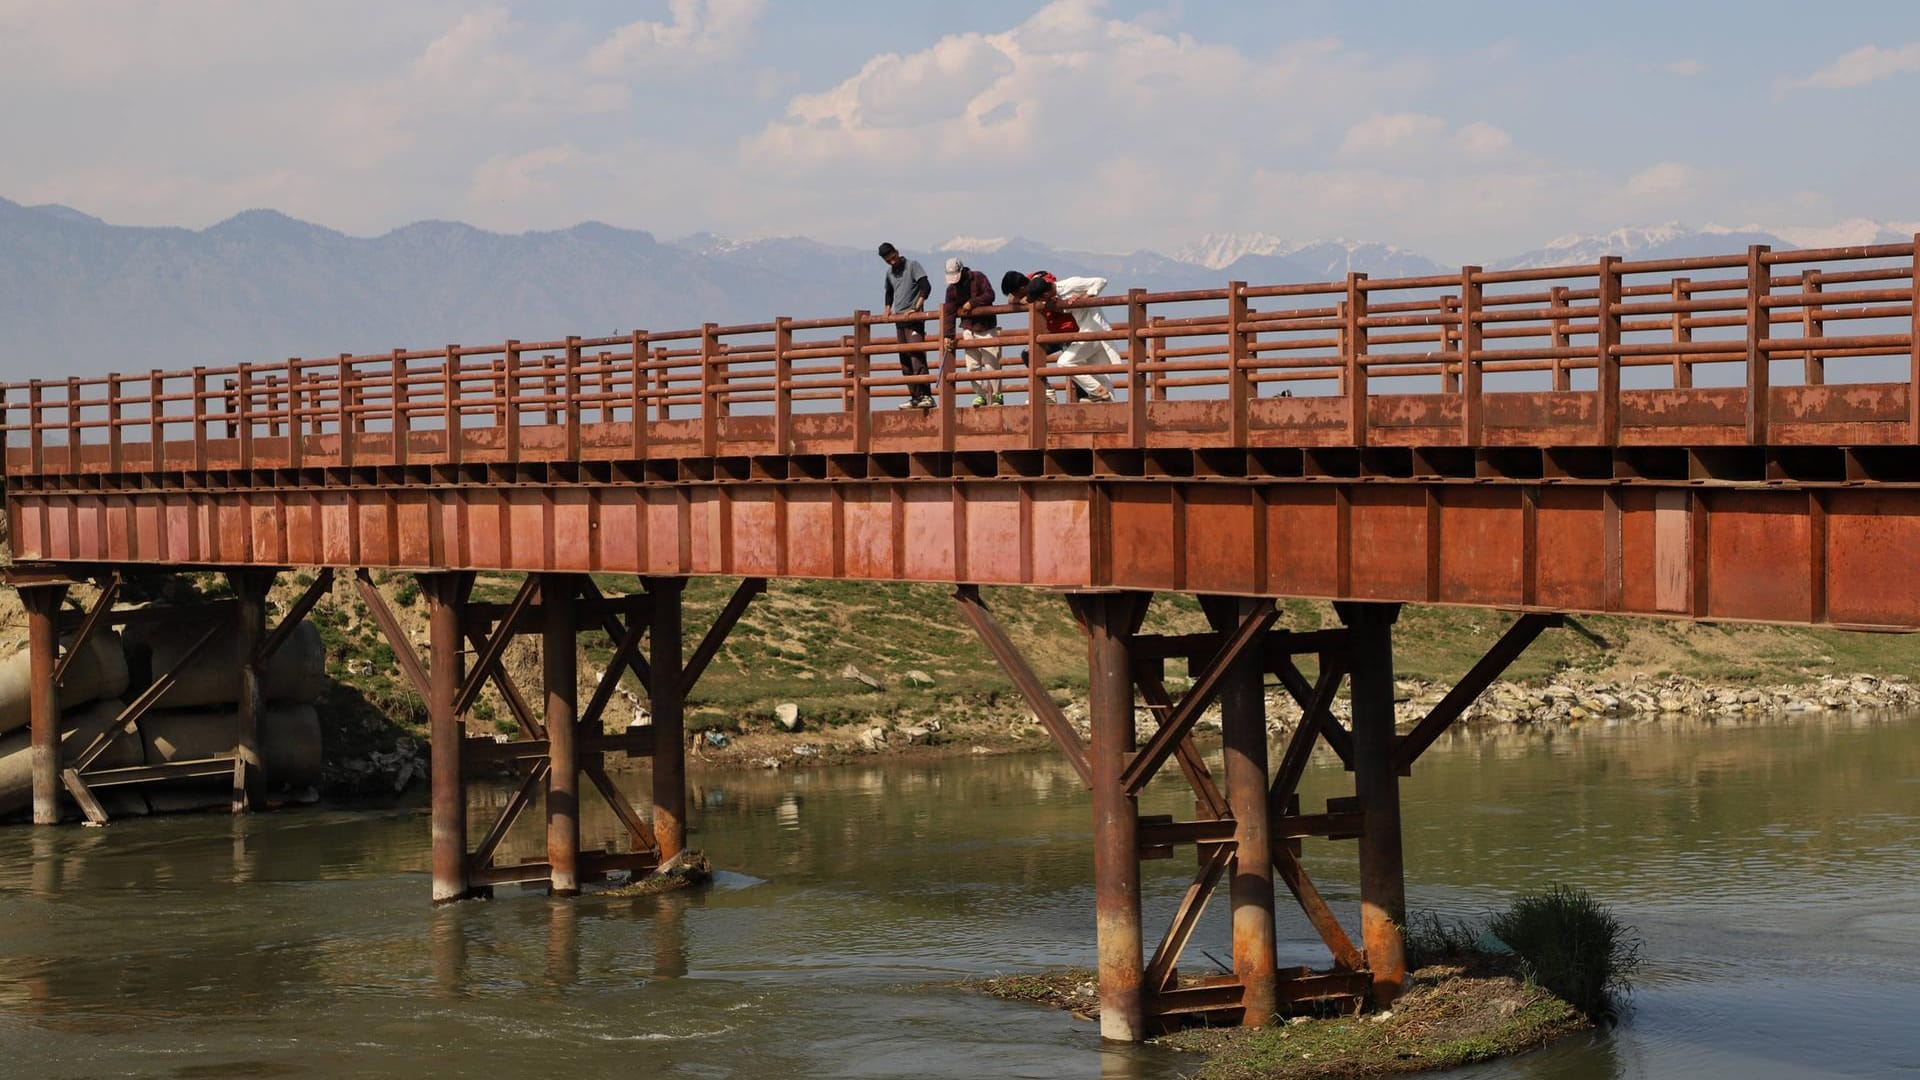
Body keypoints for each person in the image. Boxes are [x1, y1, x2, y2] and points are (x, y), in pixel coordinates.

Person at [1007, 271, 1117, 403]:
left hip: (1093, 331)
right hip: (1088, 331)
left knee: (1065, 362)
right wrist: (1067, 304)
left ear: (1046, 294)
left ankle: (1098, 391)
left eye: (1040, 298)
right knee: (1101, 375)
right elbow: (1068, 310)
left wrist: (1086, 297)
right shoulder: (1058, 296)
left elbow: (1101, 280)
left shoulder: (1070, 284)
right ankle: (1110, 404)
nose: (1041, 302)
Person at [877, 243, 933, 408]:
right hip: (899, 321)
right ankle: (915, 396)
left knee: (917, 357)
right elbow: (889, 292)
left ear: (897, 252)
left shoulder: (912, 266)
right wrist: (887, 309)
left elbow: (926, 287)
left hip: (914, 319)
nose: (892, 262)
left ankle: (927, 396)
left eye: (893, 258)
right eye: (888, 261)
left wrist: (916, 308)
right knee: (905, 361)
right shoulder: (889, 273)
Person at [941, 257, 1002, 406]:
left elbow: (990, 295)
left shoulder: (979, 277)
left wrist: (972, 303)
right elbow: (949, 312)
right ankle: (980, 394)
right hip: (968, 328)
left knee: (991, 363)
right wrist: (948, 335)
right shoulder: (951, 290)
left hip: (986, 327)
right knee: (972, 365)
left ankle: (996, 395)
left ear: (962, 271)